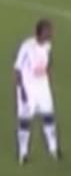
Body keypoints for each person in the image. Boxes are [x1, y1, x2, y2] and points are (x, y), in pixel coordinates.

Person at [13, 18, 60, 164]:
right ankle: (23, 153)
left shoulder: (47, 46)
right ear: (40, 32)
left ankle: (53, 149)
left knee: (48, 117)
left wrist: (45, 72)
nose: (50, 33)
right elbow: (17, 69)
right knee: (25, 121)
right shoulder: (27, 47)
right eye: (48, 30)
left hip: (43, 88)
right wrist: (22, 92)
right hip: (28, 88)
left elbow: (47, 61)